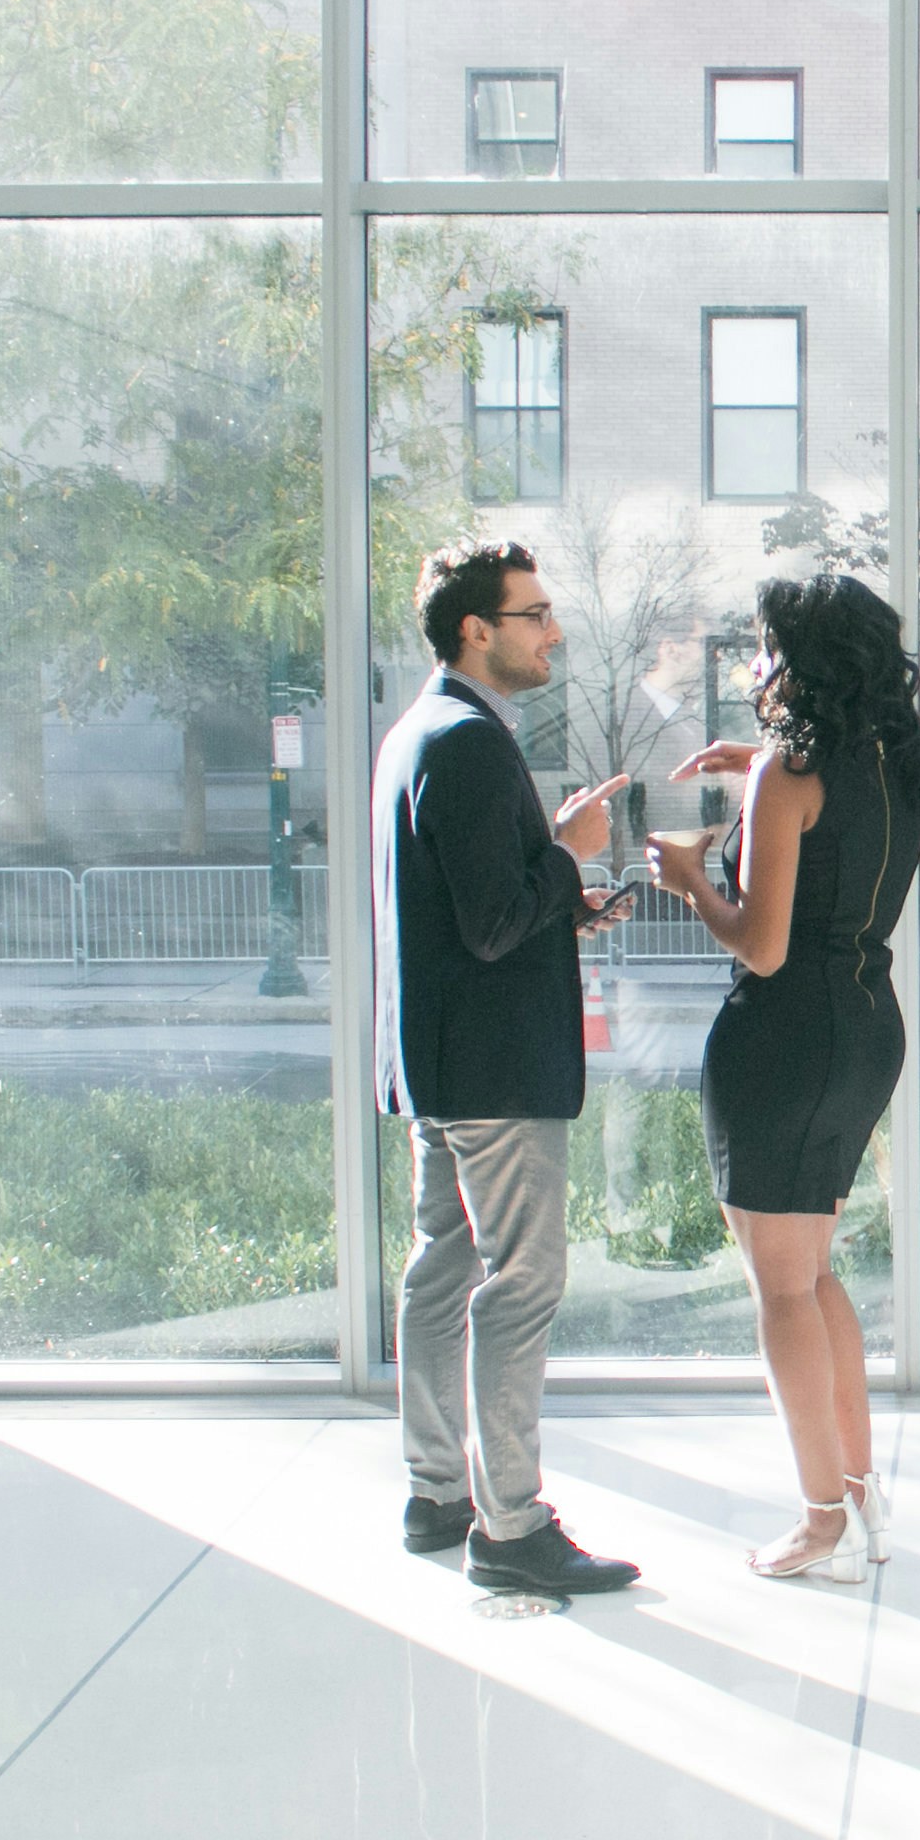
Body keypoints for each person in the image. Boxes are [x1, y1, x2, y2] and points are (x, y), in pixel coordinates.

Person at [643, 574, 920, 1584]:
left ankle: (824, 1525)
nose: (756, 665)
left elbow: (764, 945)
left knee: (782, 1290)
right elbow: (837, 838)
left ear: (799, 662)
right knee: (812, 1275)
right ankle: (860, 1500)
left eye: (767, 648)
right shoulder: (892, 762)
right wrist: (758, 778)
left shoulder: (791, 770)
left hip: (783, 1039)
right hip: (867, 1027)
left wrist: (693, 880)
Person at [374, 538, 642, 1595]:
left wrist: (565, 899)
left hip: (439, 1066)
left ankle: (436, 1491)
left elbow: (467, 913)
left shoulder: (419, 731)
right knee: (520, 1282)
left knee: (441, 1268)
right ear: (476, 629)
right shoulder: (474, 744)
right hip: (493, 1073)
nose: (553, 632)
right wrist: (569, 850)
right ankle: (511, 1525)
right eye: (533, 615)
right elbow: (493, 926)